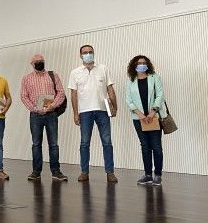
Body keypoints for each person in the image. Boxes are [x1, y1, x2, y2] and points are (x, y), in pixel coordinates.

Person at [68, 45, 118, 183]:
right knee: (84, 143)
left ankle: (110, 172)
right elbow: (73, 94)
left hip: (103, 110)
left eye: (90, 52)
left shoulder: (103, 68)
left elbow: (110, 88)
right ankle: (84, 172)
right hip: (84, 112)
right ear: (80, 56)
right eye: (85, 52)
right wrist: (75, 113)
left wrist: (115, 107)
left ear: (94, 53)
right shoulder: (75, 72)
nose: (88, 54)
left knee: (107, 142)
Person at [20, 54, 68, 182]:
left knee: (53, 144)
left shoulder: (53, 75)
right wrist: (35, 108)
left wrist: (52, 106)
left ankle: (56, 171)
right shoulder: (26, 79)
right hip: (35, 115)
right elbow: (24, 96)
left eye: (41, 61)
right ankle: (36, 172)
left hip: (51, 114)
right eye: (36, 61)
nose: (39, 62)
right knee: (36, 144)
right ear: (31, 64)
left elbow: (61, 93)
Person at [125, 55, 165, 186]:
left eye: (144, 63)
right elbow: (129, 100)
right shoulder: (130, 81)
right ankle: (148, 175)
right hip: (138, 118)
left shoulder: (155, 77)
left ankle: (157, 175)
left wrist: (152, 112)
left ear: (147, 65)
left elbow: (160, 95)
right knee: (145, 146)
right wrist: (140, 115)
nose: (141, 65)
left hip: (154, 117)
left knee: (156, 146)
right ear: (134, 66)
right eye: (138, 63)